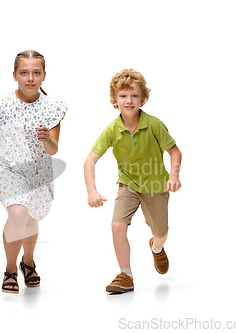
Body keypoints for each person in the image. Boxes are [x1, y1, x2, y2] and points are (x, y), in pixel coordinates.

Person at [0, 50, 66, 293]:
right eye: (24, 73)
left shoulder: (53, 108)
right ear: (15, 75)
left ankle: (27, 262)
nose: (30, 78)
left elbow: (53, 149)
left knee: (31, 220)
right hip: (4, 166)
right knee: (18, 213)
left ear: (44, 75)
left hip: (37, 171)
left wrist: (46, 139)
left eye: (36, 73)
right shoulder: (1, 104)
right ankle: (10, 269)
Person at [84, 69, 182, 293]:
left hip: (156, 186)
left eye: (134, 96)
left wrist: (174, 175)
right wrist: (92, 190)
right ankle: (125, 275)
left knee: (160, 232)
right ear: (115, 99)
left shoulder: (155, 124)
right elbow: (89, 161)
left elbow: (175, 152)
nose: (129, 101)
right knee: (117, 226)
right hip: (128, 185)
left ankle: (157, 248)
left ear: (143, 99)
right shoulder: (111, 129)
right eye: (123, 96)